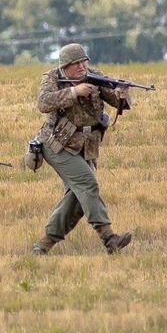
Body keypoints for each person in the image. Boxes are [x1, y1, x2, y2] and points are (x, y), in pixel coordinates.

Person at [30, 44, 133, 255]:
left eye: (83, 61)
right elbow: (43, 103)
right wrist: (73, 92)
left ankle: (43, 245)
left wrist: (122, 95)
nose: (81, 67)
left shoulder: (95, 76)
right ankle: (108, 237)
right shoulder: (52, 78)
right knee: (87, 184)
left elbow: (116, 101)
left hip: (87, 146)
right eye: (75, 63)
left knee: (77, 199)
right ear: (65, 66)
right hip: (57, 144)